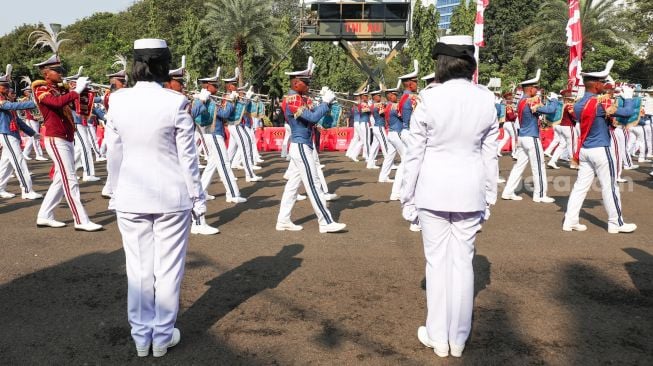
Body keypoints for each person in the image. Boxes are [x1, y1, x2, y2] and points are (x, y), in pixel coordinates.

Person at [105, 38, 205, 358]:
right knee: (168, 269)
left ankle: (140, 337)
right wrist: (198, 197)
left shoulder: (117, 101)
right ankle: (161, 338)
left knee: (138, 269)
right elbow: (188, 158)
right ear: (164, 65)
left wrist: (113, 188)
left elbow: (113, 152)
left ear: (135, 66)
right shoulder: (175, 102)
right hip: (171, 196)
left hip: (131, 195)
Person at [401, 35, 498, 358]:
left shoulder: (429, 99)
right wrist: (489, 195)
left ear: (441, 64)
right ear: (470, 63)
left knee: (436, 264)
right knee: (463, 264)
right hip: (471, 191)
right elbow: (490, 154)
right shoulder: (486, 99)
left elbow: (414, 153)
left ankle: (438, 336)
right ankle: (458, 338)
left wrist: (407, 196)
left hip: (432, 190)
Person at [32, 28, 102, 231]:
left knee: (60, 179)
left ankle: (44, 215)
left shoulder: (58, 88)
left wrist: (83, 92)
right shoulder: (41, 88)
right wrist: (75, 90)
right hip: (55, 137)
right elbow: (56, 103)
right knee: (70, 178)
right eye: (57, 71)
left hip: (66, 136)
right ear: (46, 72)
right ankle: (81, 220)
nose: (61, 74)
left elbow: (74, 105)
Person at [562, 60, 637, 233]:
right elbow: (627, 113)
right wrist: (628, 98)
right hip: (601, 149)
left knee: (580, 187)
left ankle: (570, 221)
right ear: (596, 85)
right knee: (609, 186)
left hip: (585, 149)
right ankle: (615, 223)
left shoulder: (579, 103)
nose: (605, 85)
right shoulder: (600, 103)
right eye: (602, 82)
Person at [276, 57, 346, 233]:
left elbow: (318, 119)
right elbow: (313, 117)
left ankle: (283, 220)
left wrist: (328, 105)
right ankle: (325, 222)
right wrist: (325, 103)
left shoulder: (300, 98)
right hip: (301, 145)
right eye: (306, 82)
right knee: (314, 185)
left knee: (292, 185)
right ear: (296, 82)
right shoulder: (293, 100)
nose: (308, 85)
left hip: (302, 144)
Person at [501, 69, 559, 203]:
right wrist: (554, 100)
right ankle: (540, 195)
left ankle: (508, 191)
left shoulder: (521, 101)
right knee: (538, 166)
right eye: (536, 88)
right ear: (530, 89)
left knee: (518, 166)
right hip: (531, 138)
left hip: (523, 137)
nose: (537, 90)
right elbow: (551, 111)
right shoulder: (530, 101)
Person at [0, 65, 43, 200]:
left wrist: (32, 133)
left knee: (6, 164)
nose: (7, 89)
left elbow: (17, 120)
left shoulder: (5, 99)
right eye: (4, 86)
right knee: (19, 162)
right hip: (6, 133)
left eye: (7, 86)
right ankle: (27, 190)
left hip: (11, 133)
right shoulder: (2, 101)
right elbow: (13, 106)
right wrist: (33, 102)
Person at [100, 54, 128, 199]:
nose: (124, 85)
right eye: (120, 82)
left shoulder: (122, 94)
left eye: (124, 82)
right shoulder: (109, 95)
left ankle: (109, 188)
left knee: (121, 159)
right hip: (113, 129)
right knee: (115, 159)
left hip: (123, 129)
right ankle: (112, 189)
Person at [19, 87, 47, 161]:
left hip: (34, 119)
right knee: (35, 136)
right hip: (31, 119)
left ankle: (25, 153)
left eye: (31, 91)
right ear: (25, 92)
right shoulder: (26, 99)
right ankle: (39, 155)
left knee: (32, 137)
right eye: (29, 91)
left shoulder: (33, 98)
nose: (30, 93)